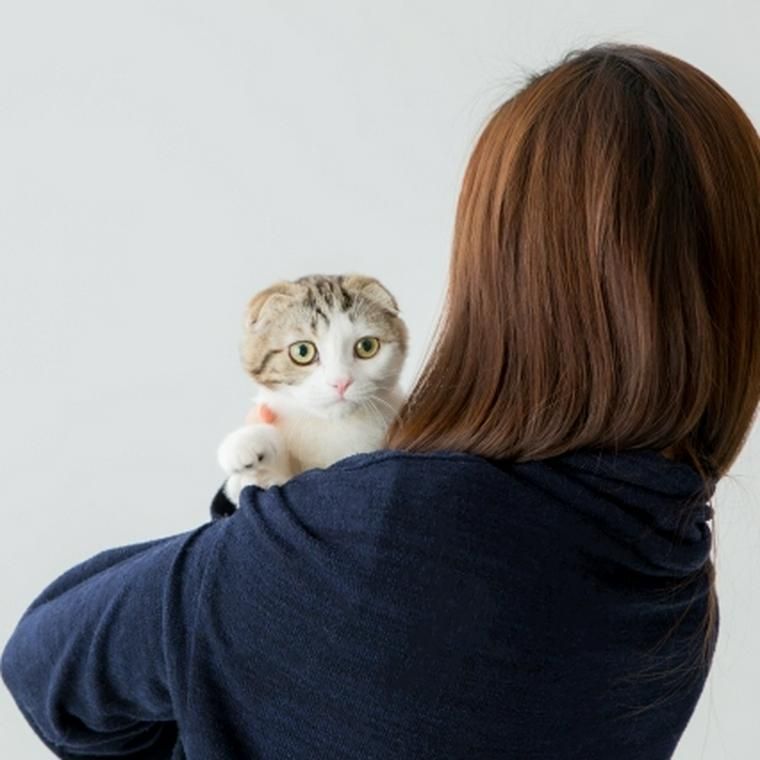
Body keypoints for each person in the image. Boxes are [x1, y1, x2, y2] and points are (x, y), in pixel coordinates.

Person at [2, 43, 759, 759]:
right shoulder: (679, 589)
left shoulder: (382, 525)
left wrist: (263, 521)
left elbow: (45, 665)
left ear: (501, 281)